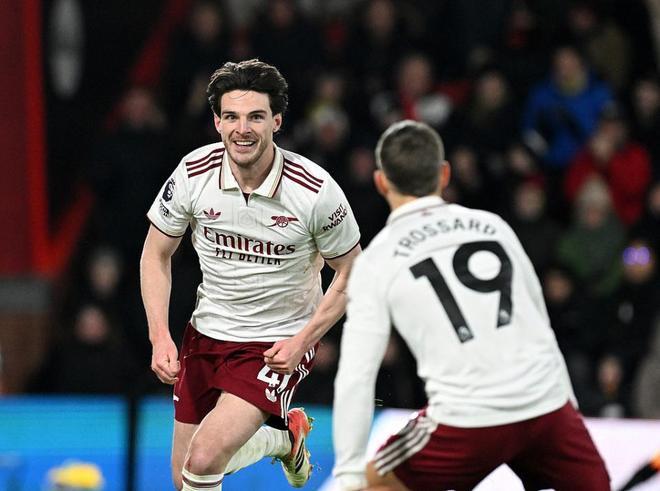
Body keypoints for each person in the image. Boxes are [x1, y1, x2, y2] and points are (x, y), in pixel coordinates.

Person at [332, 120, 609, 491]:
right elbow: (540, 325)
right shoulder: (493, 226)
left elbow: (357, 375)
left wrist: (349, 474)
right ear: (444, 174)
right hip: (545, 407)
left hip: (466, 420)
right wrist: (566, 410)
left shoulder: (376, 260)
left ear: (381, 182)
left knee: (371, 484)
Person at [141, 59, 361, 491]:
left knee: (204, 459)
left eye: (256, 117)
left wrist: (303, 341)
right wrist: (159, 336)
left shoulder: (314, 190)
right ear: (217, 122)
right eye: (232, 117)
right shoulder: (192, 174)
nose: (243, 130)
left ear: (276, 122)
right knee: (184, 477)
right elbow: (155, 254)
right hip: (206, 334)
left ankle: (278, 435)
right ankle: (284, 439)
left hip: (275, 342)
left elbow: (353, 270)